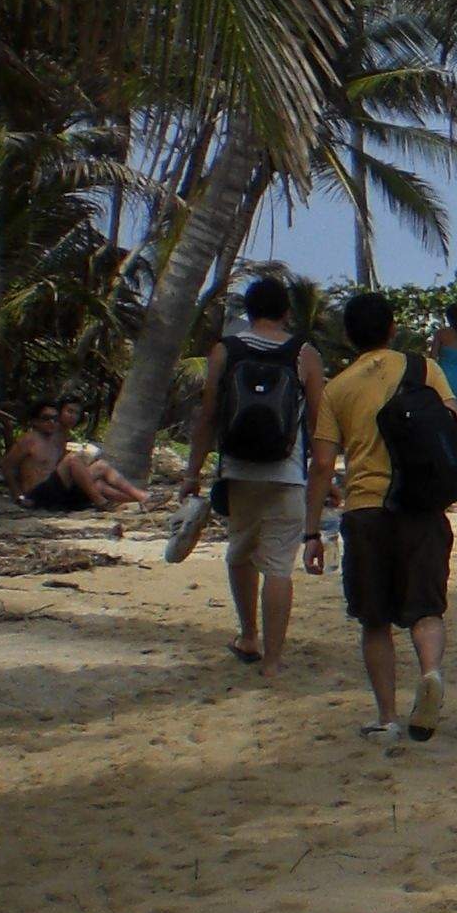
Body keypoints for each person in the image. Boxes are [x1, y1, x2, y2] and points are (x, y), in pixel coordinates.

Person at [315, 290, 457, 746]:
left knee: (374, 620)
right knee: (426, 609)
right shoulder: (422, 368)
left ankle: (386, 717)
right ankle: (431, 672)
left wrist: (309, 530)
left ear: (347, 336)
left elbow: (322, 465)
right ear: (393, 329)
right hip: (421, 505)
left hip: (366, 511)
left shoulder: (336, 388)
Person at [182, 276, 328, 673]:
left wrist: (192, 473)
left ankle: (249, 636)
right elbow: (319, 425)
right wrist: (325, 478)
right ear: (286, 312)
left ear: (248, 311)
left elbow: (208, 415)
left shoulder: (225, 350)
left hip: (238, 471)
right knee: (279, 565)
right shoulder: (305, 353)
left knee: (240, 552)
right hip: (287, 473)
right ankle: (274, 660)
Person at [5, 402, 147, 512]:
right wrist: (19, 497)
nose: (51, 422)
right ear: (35, 421)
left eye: (54, 418)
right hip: (37, 494)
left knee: (100, 470)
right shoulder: (28, 440)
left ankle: (141, 498)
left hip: (57, 493)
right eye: (46, 418)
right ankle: (101, 502)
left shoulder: (57, 441)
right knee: (73, 459)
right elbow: (8, 467)